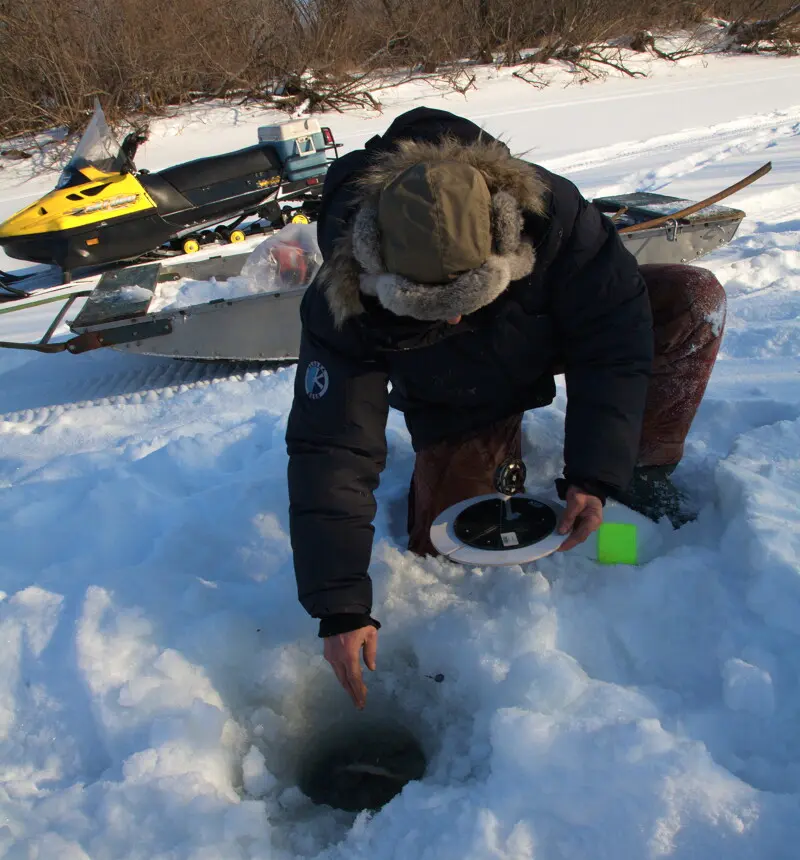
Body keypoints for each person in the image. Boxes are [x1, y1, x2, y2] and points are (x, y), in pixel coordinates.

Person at [285, 107, 726, 709]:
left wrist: (597, 473)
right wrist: (339, 605)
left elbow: (614, 337)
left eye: (467, 296)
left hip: (543, 338)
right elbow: (332, 446)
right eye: (430, 306)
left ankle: (641, 473)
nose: (456, 316)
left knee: (692, 299)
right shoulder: (344, 290)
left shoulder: (553, 215)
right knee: (452, 549)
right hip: (454, 393)